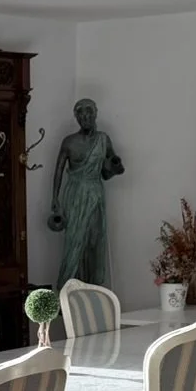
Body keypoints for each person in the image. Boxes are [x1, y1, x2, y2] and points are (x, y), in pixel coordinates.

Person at [48, 97, 123, 287]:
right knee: (74, 241)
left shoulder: (103, 140)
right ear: (77, 118)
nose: (85, 118)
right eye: (81, 116)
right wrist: (55, 198)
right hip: (74, 194)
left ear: (95, 115)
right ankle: (68, 289)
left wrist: (115, 167)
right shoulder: (69, 142)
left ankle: (93, 288)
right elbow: (58, 171)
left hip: (95, 193)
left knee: (94, 240)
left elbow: (107, 173)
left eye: (89, 114)